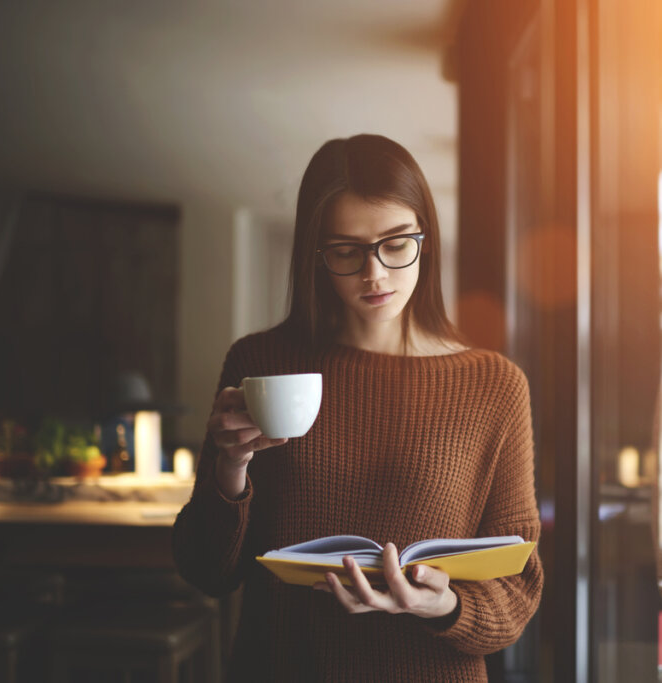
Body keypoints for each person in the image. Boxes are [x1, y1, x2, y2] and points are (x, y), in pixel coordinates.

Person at [172, 134, 543, 682]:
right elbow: (207, 570)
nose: (375, 274)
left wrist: (441, 605)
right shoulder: (260, 363)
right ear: (315, 255)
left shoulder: (494, 385)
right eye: (346, 250)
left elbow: (519, 590)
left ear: (426, 238)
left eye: (396, 244)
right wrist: (229, 470)